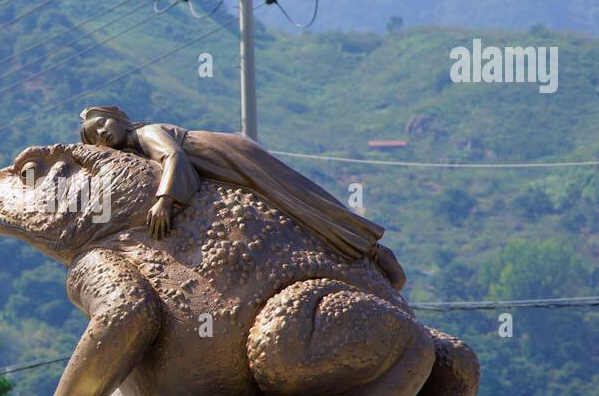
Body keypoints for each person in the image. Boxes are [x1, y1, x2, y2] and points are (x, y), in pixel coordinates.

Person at [78, 105, 406, 289]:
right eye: (95, 137)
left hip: (226, 155)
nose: (102, 134)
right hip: (223, 163)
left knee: (297, 199)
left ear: (119, 116)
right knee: (291, 203)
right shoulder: (135, 149)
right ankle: (360, 247)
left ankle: (371, 248)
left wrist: (164, 200)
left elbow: (173, 158)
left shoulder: (146, 133)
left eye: (102, 124)